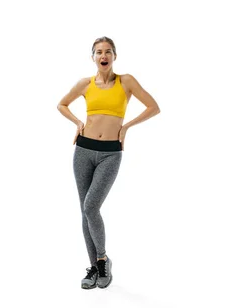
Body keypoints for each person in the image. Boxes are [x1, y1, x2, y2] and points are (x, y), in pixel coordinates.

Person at [57, 36, 160, 289]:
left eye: (108, 52)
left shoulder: (126, 82)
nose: (104, 56)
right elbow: (61, 104)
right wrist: (78, 123)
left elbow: (153, 107)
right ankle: (95, 267)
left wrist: (126, 127)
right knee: (85, 210)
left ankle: (103, 259)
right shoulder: (85, 84)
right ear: (92, 57)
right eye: (99, 52)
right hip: (83, 149)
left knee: (91, 205)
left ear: (114, 56)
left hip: (110, 153)